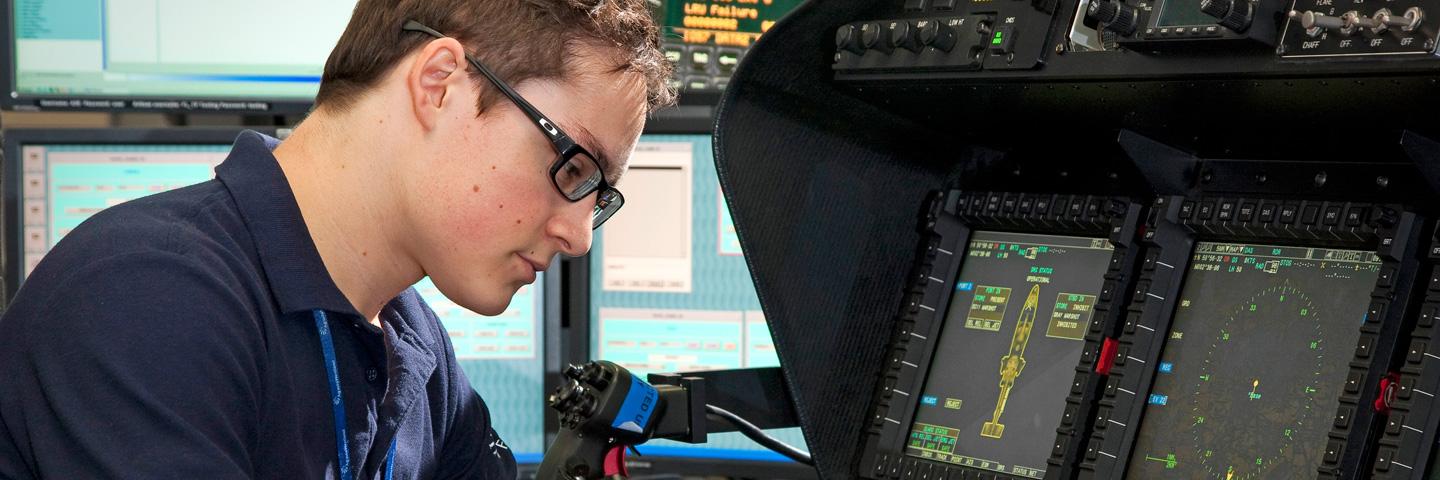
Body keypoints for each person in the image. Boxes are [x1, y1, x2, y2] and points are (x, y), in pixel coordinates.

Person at [0, 0, 674, 477]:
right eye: (574, 168)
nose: (579, 235)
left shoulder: (413, 345)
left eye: (598, 195)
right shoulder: (146, 299)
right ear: (440, 85)